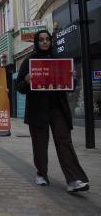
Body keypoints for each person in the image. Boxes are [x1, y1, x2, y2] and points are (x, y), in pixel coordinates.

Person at [17, 30, 89, 192]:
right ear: (37, 42)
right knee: (40, 144)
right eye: (41, 39)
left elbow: (70, 88)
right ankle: (41, 174)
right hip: (37, 110)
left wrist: (73, 78)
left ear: (50, 41)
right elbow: (19, 88)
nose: (44, 42)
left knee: (64, 142)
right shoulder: (29, 62)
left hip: (58, 109)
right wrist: (27, 81)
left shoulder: (59, 60)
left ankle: (74, 179)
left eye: (47, 39)